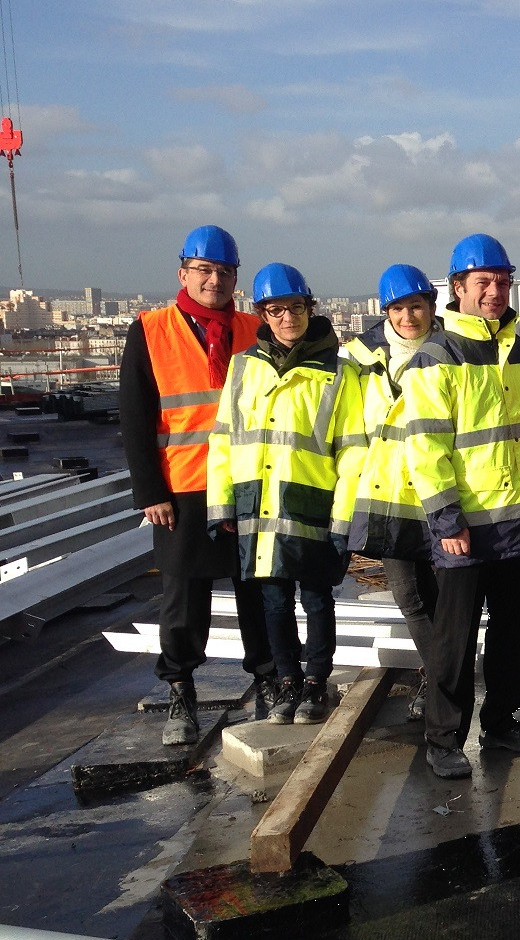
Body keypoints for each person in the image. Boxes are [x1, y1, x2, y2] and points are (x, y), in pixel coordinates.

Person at [402, 234, 520, 779]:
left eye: (502, 282)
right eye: (483, 283)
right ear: (459, 289)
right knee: (455, 637)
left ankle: (502, 722)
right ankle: (444, 739)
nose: (495, 292)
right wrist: (447, 521)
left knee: (514, 632)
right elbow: (426, 448)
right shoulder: (436, 357)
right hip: (465, 528)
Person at [119, 226, 273, 746]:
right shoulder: (150, 330)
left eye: (224, 272)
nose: (215, 280)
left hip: (249, 482)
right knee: (184, 595)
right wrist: (150, 494)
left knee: (258, 588)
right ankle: (181, 689)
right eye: (204, 271)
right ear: (183, 274)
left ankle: (269, 678)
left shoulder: (257, 328)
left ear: (236, 278)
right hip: (182, 486)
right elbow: (136, 419)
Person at [206, 263, 365, 724]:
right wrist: (222, 506)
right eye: (276, 310)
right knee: (272, 600)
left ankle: (316, 681)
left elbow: (351, 449)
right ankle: (286, 681)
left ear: (309, 309)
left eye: (295, 308)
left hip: (312, 504)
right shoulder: (243, 368)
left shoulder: (337, 371)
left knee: (317, 598)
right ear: (263, 315)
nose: (286, 318)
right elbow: (222, 440)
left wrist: (344, 516)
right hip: (257, 505)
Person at [345, 263, 440, 721]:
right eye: (398, 308)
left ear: (431, 307)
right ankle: (438, 676)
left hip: (440, 495)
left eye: (416, 306)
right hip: (388, 498)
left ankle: (441, 680)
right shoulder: (359, 360)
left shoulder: (451, 352)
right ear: (385, 311)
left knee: (445, 597)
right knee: (411, 598)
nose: (408, 317)